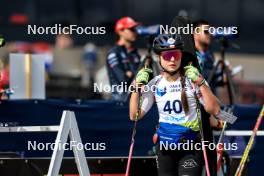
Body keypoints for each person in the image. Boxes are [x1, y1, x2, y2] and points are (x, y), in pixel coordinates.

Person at [129, 33, 221, 176]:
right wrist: (136, 87)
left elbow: (214, 109)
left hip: (190, 146)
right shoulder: (155, 83)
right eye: (167, 55)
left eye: (176, 55)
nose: (172, 59)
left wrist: (201, 83)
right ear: (159, 58)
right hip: (165, 146)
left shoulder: (193, 79)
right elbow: (135, 115)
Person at [106, 16, 141, 101]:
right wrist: (134, 75)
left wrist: (130, 74)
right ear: (120, 31)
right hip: (120, 101)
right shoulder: (114, 53)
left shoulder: (134, 52)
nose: (135, 32)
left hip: (136, 99)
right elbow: (123, 80)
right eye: (131, 29)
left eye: (135, 29)